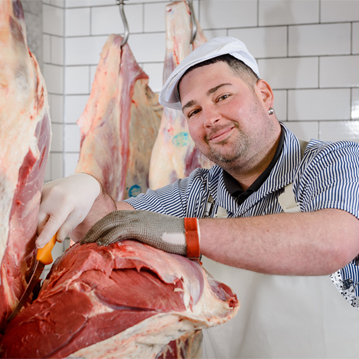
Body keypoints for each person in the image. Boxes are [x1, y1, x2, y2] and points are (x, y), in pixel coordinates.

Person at [37, 37, 359, 358]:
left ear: (264, 94)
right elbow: (112, 220)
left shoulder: (332, 162)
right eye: (194, 111)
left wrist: (186, 234)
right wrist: (86, 190)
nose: (210, 118)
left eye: (222, 96)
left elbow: (334, 240)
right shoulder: (199, 191)